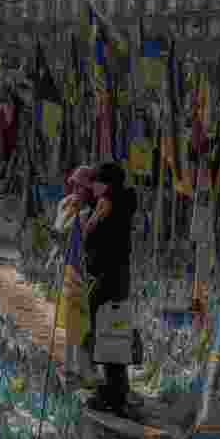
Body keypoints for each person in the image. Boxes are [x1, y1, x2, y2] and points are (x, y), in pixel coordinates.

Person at [82, 162, 137, 415]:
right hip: (118, 276)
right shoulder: (119, 203)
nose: (93, 185)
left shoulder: (107, 205)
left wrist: (87, 223)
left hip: (109, 276)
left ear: (108, 184)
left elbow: (91, 236)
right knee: (114, 330)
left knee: (106, 331)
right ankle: (117, 389)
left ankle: (113, 393)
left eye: (97, 181)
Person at [55, 166, 100, 388]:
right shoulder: (71, 208)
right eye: (74, 186)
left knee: (84, 326)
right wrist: (70, 208)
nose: (76, 190)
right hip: (71, 271)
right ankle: (72, 368)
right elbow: (59, 228)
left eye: (80, 187)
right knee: (72, 324)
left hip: (85, 275)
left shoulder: (91, 212)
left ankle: (84, 372)